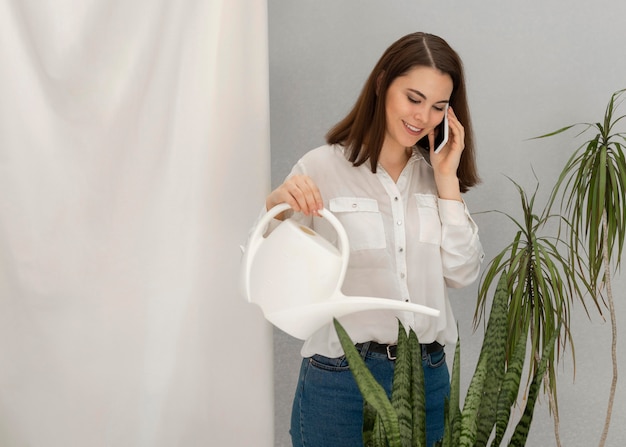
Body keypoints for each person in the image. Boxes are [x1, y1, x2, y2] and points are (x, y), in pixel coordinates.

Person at [264, 32, 484, 447]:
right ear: (383, 84)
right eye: (413, 98)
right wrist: (277, 205)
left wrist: (447, 182)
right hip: (341, 381)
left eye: (439, 107)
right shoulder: (322, 166)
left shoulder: (436, 177)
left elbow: (462, 271)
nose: (423, 117)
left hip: (428, 380)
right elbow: (270, 267)